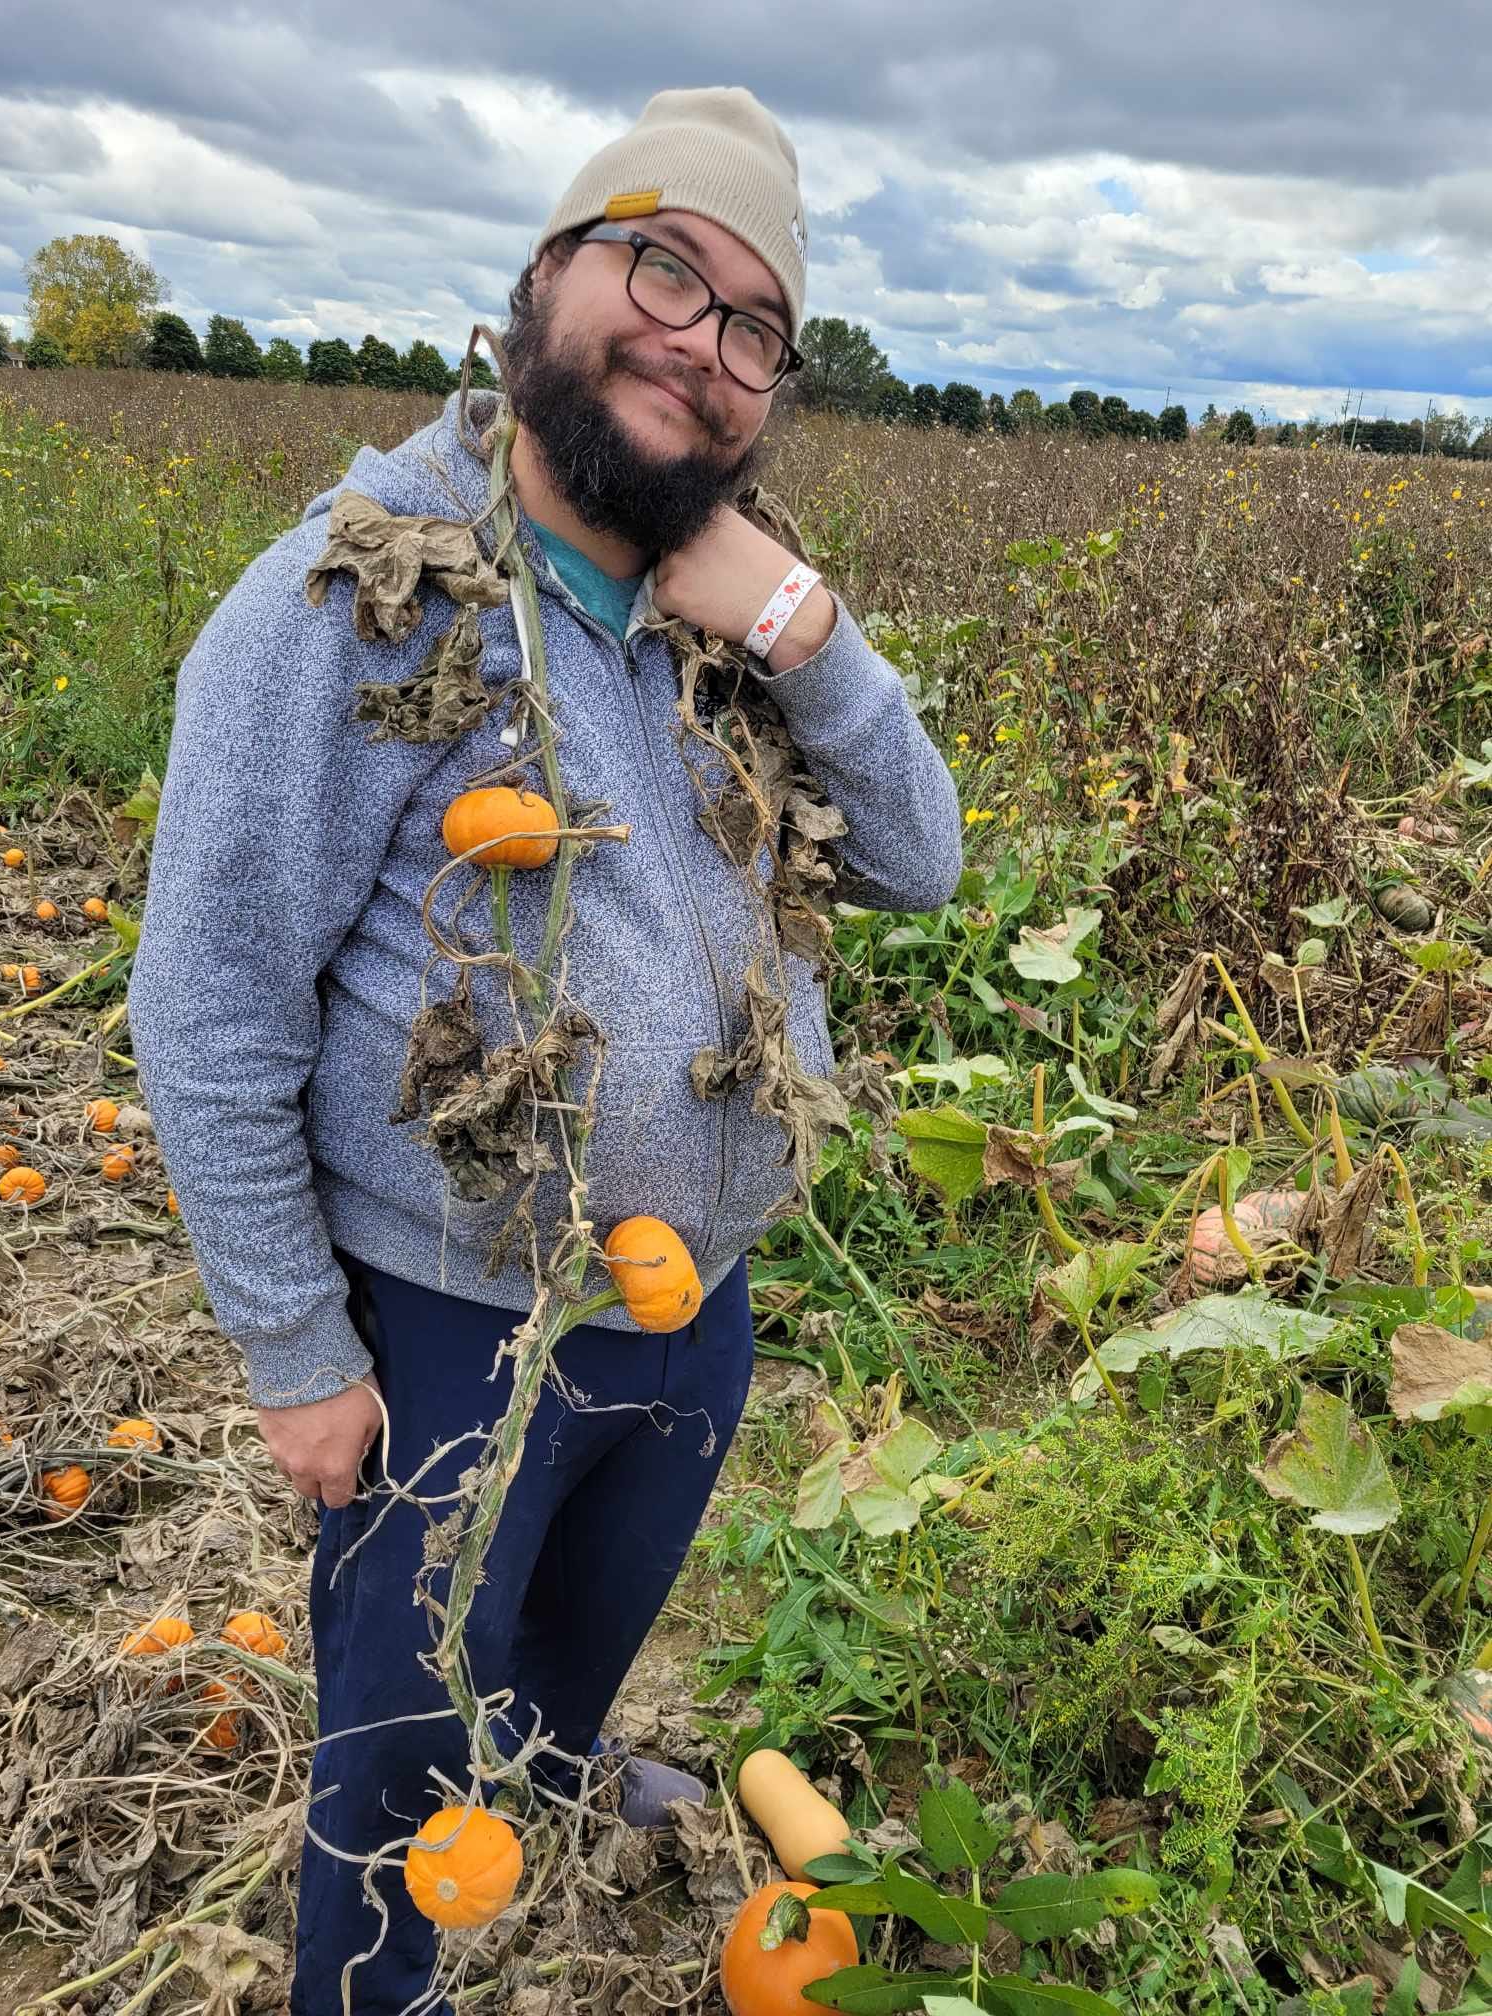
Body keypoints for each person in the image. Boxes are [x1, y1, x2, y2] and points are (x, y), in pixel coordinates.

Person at [128, 84, 962, 2014]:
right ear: (544, 280)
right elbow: (207, 1001)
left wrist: (807, 628)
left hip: (696, 1305)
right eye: (663, 266)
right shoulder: (348, 602)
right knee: (398, 1760)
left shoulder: (730, 601)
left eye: (757, 324)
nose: (703, 342)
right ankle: (376, 1981)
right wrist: (293, 1352)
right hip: (449, 1328)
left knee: (584, 1641)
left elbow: (919, 862)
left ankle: (564, 1780)